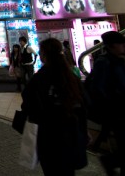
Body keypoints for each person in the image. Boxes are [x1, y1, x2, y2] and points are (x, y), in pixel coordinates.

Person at [21, 38, 88, 176]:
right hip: (71, 132)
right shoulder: (72, 76)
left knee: (52, 170)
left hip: (49, 135)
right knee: (68, 171)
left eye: (40, 53)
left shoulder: (39, 78)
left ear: (44, 55)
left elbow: (28, 105)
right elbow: (83, 105)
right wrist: (84, 130)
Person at [91, 31, 125, 176]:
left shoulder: (119, 62)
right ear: (112, 46)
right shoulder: (104, 63)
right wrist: (111, 108)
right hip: (120, 114)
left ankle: (115, 162)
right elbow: (99, 89)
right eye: (122, 44)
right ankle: (111, 161)